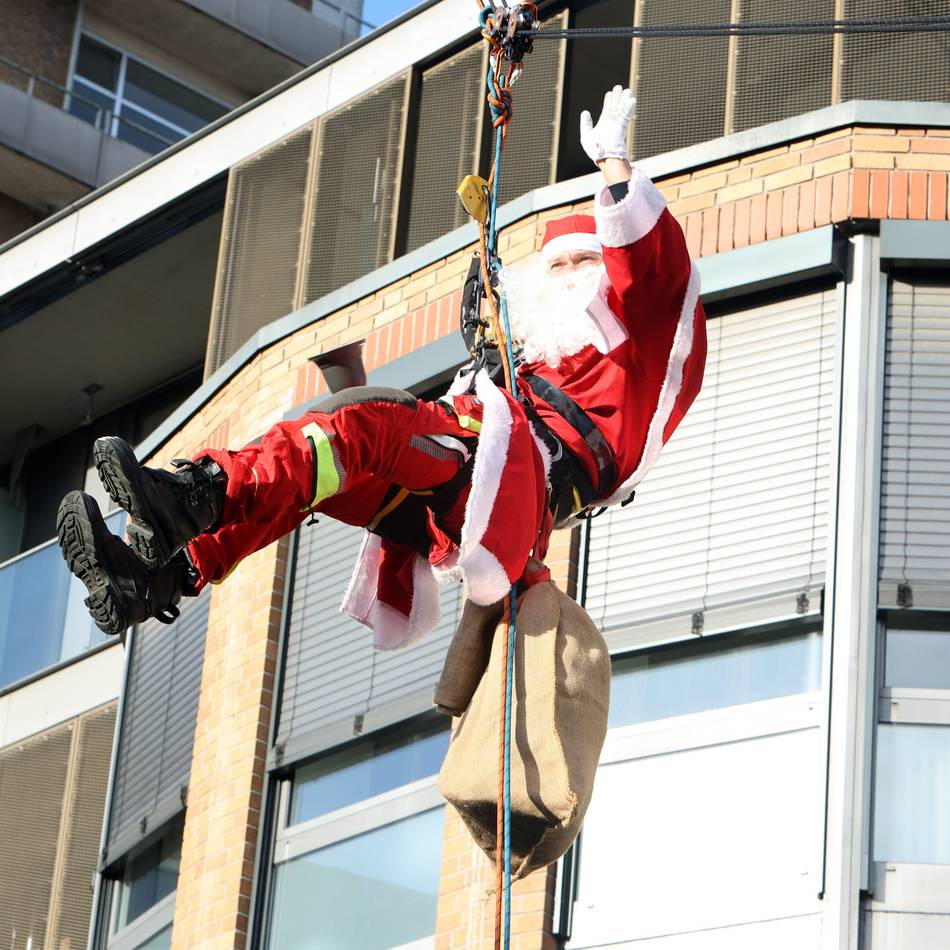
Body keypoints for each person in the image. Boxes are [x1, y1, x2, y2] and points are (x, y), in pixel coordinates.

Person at [57, 86, 707, 648]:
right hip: (461, 476)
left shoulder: (638, 340)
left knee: (362, 425)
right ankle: (163, 572)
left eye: (582, 263)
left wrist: (616, 170)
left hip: (517, 483)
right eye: (557, 265)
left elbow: (653, 268)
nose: (565, 277)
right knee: (314, 456)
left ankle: (186, 504)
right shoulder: (530, 361)